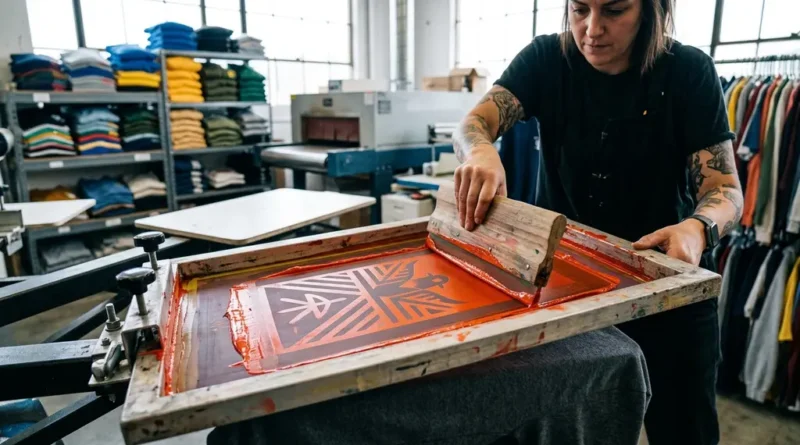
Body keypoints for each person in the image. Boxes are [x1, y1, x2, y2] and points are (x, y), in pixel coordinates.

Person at [453, 0, 743, 444]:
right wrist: (480, 150)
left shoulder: (688, 71)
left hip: (664, 282)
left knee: (686, 431)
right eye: (579, 9)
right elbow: (474, 122)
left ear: (650, 11)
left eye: (613, 11)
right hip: (568, 288)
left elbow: (725, 190)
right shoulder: (547, 58)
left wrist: (696, 228)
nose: (591, 29)